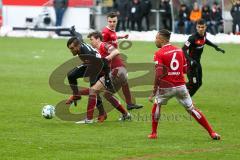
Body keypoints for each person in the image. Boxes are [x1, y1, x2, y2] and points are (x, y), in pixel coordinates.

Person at [148, 29, 221, 140]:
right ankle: (212, 132)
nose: (155, 40)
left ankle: (153, 133)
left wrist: (154, 90)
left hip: (166, 87)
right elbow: (185, 69)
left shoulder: (159, 53)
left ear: (162, 39)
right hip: (181, 87)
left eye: (156, 38)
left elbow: (158, 73)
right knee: (192, 109)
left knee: (157, 103)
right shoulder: (179, 51)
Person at [75, 31, 132, 124]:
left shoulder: (103, 45)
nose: (90, 42)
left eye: (92, 39)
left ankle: (88, 119)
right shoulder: (99, 51)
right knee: (107, 95)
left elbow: (116, 51)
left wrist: (107, 58)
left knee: (93, 90)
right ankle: (126, 115)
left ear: (98, 39)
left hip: (117, 71)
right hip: (122, 74)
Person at [102, 12, 143, 110]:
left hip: (115, 57)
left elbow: (113, 38)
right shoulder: (105, 32)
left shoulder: (112, 31)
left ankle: (129, 103)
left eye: (114, 21)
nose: (112, 23)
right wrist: (108, 57)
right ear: (107, 21)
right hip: (112, 59)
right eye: (110, 21)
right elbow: (102, 45)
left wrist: (122, 37)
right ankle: (108, 96)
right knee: (121, 78)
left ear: (117, 21)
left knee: (124, 80)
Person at [65, 36, 112, 121]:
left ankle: (102, 114)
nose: (71, 50)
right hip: (89, 65)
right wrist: (73, 31)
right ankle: (76, 95)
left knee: (93, 92)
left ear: (78, 46)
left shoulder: (87, 53)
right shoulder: (79, 43)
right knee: (71, 75)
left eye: (72, 48)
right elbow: (78, 36)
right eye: (70, 48)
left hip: (98, 68)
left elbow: (104, 62)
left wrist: (108, 78)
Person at [182, 19, 225, 97]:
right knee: (194, 84)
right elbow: (183, 49)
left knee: (199, 83)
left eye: (202, 27)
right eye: (199, 27)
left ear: (205, 27)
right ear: (196, 27)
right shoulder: (192, 38)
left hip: (197, 63)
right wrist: (190, 60)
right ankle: (183, 95)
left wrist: (215, 47)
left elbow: (205, 40)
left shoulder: (204, 34)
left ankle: (184, 95)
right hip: (191, 65)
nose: (201, 29)